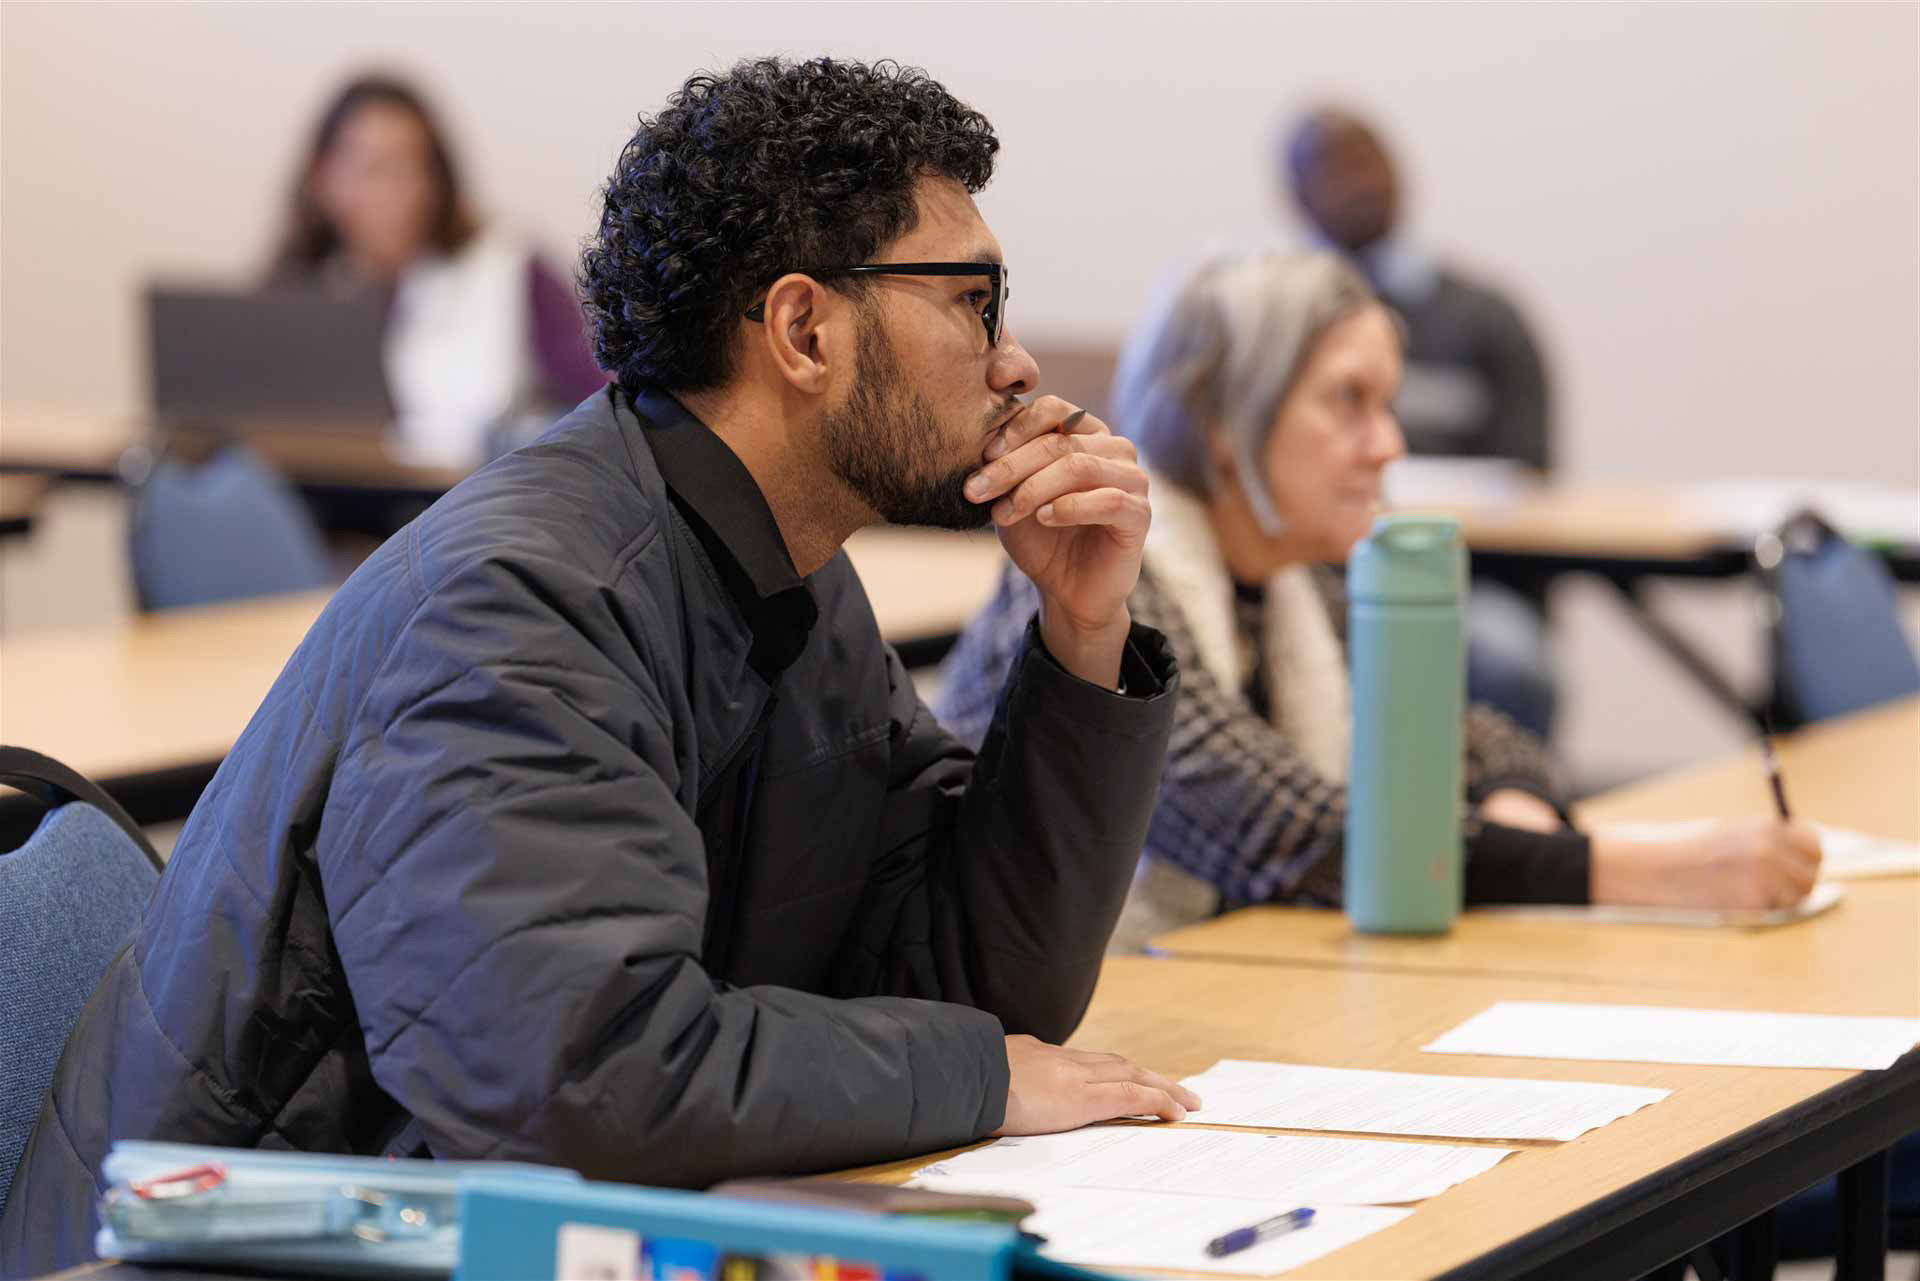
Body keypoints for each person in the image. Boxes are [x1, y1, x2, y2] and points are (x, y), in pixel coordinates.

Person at [0, 57, 1197, 1273]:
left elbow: (969, 980)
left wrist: (1080, 637)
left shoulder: (786, 572)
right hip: (213, 1257)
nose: (1016, 363)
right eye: (973, 302)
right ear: (802, 330)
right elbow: (573, 1082)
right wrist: (974, 1075)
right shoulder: (521, 601)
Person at [936, 250, 1822, 952]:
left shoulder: (1299, 575)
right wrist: (1653, 870)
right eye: (1348, 403)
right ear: (1220, 419)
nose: (1387, 445)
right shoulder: (1092, 569)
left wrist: (1510, 805)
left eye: (1387, 404)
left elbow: (1477, 736)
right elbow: (1291, 837)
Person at [1284, 106, 1558, 738]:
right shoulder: (1277, 334)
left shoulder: (1487, 318)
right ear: (1297, 197)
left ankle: (1507, 815)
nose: (1356, 183)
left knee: (1509, 660)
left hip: (1471, 574)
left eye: (1367, 162)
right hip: (1314, 575)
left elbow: (1535, 473)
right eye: (1330, 170)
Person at [272, 73, 606, 466]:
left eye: (415, 165)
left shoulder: (511, 267)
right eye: (375, 168)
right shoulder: (295, 292)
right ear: (322, 179)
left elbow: (601, 401)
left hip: (467, 510)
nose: (400, 189)